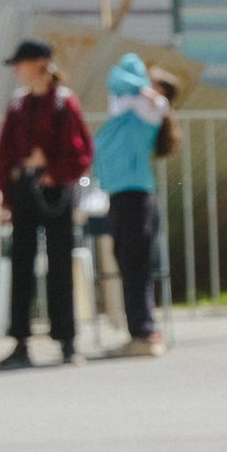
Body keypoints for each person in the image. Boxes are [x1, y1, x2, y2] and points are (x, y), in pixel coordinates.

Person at [0, 37, 92, 369]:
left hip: (54, 192)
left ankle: (67, 340)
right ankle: (19, 341)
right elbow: (4, 153)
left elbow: (81, 152)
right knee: (21, 262)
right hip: (23, 190)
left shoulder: (64, 103)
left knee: (60, 264)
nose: (17, 71)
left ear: (39, 64)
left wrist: (53, 170)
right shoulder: (18, 105)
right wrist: (5, 196)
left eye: (21, 64)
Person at [89, 51, 173, 357]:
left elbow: (120, 79)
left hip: (134, 195)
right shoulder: (133, 106)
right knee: (128, 261)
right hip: (123, 193)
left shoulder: (148, 108)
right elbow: (117, 82)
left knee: (134, 264)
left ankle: (143, 332)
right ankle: (141, 329)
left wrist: (141, 87)